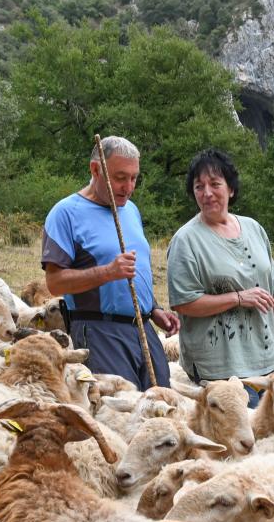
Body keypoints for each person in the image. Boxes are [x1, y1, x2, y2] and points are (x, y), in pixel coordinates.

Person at [40, 136, 178, 389]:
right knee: (119, 413)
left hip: (143, 330)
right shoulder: (65, 213)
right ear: (95, 169)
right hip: (99, 331)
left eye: (134, 177)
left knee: (162, 410)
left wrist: (153, 309)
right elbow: (55, 283)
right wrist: (107, 272)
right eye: (120, 177)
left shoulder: (131, 210)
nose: (128, 187)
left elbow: (136, 271)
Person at [165, 148, 274, 403]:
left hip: (265, 364)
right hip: (219, 372)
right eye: (199, 186)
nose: (207, 193)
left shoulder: (254, 229)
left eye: (215, 184)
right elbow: (183, 303)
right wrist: (238, 298)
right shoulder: (186, 240)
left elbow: (270, 291)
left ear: (230, 188)